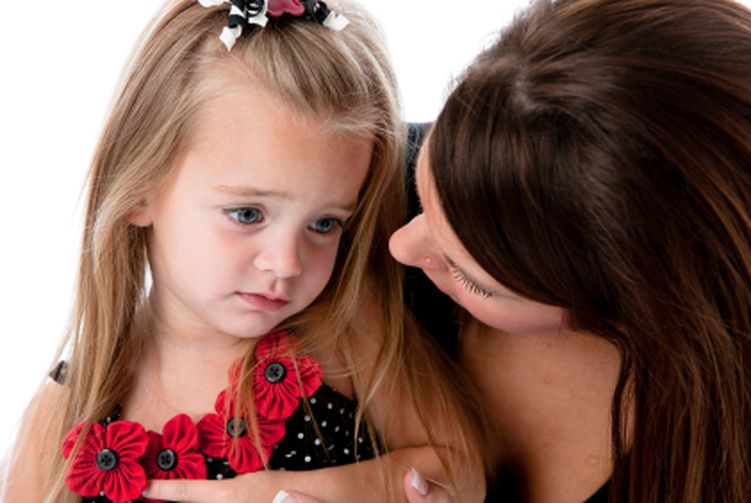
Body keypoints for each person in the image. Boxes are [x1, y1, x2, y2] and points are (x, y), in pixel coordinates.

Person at [0, 1, 483, 502]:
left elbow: (462, 469)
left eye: (324, 224)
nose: (287, 263)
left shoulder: (342, 335)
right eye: (248, 214)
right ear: (140, 186)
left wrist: (281, 492)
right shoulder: (67, 410)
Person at [388, 0, 751, 501]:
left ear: (638, 308)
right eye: (423, 186)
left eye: (470, 276)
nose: (400, 245)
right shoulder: (340, 193)